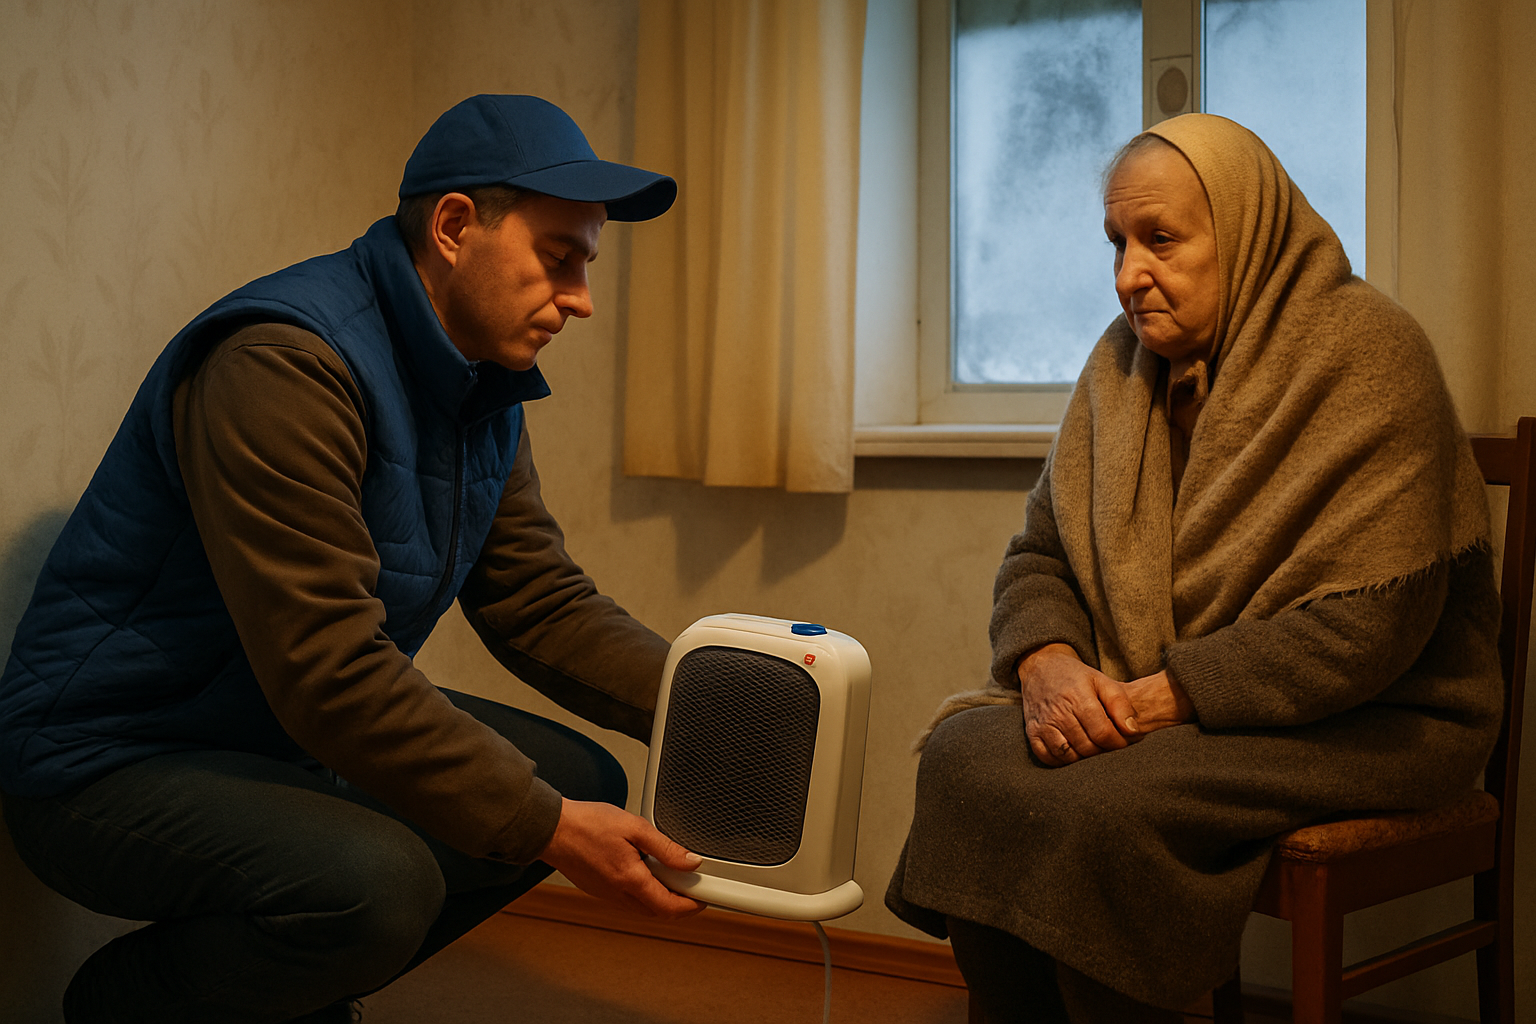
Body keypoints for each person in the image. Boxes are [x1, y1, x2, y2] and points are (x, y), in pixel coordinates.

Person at [0, 94, 706, 1024]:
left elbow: (538, 598)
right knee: (379, 885)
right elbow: (330, 668)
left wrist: (723, 706)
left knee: (580, 780)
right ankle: (128, 1003)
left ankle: (297, 985)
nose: (578, 299)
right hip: (112, 754)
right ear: (455, 227)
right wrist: (543, 828)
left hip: (270, 725)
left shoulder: (482, 381)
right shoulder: (283, 363)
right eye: (558, 258)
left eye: (586, 264)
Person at [885, 114, 1504, 1023]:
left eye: (1161, 240)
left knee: (1105, 805)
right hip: (1177, 704)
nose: (1129, 274)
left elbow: (1370, 629)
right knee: (965, 756)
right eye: (1118, 242)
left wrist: (1158, 699)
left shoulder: (1371, 354)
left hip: (1377, 716)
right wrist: (1046, 664)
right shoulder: (1118, 368)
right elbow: (1040, 552)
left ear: (1249, 232)